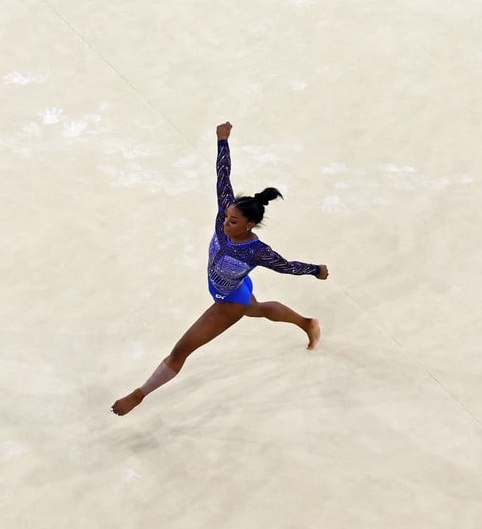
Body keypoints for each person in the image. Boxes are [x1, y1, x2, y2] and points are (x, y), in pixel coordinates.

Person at [111, 122, 329, 416]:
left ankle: (139, 395)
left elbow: (286, 266)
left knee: (181, 350)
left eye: (234, 222)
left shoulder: (257, 251)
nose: (227, 223)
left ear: (250, 225)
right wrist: (222, 140)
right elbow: (222, 175)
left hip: (228, 302)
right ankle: (307, 323)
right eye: (227, 217)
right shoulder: (225, 213)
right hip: (236, 287)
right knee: (260, 308)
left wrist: (316, 269)